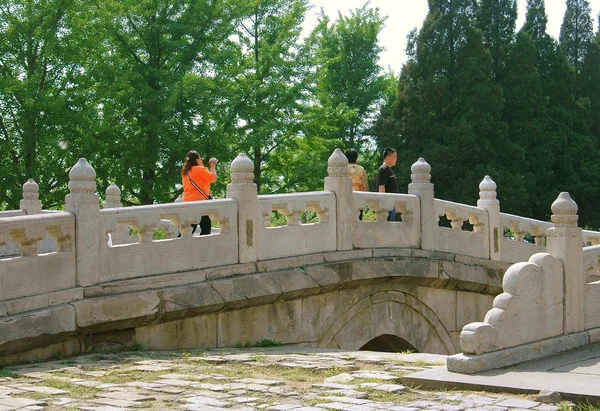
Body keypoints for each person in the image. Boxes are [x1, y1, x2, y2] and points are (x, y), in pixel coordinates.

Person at [181, 150, 218, 235]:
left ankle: (178, 245)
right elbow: (213, 178)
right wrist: (212, 167)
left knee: (189, 228)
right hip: (200, 202)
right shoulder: (199, 169)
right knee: (205, 228)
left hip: (187, 202)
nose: (201, 160)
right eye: (200, 158)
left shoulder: (185, 172)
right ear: (197, 160)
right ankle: (203, 247)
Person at [376, 147, 398, 221]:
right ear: (388, 157)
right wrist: (384, 205)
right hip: (388, 204)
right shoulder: (384, 169)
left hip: (391, 203)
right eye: (394, 157)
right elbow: (381, 187)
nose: (396, 159)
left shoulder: (389, 169)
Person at [345, 148, 368, 220]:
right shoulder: (361, 169)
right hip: (358, 198)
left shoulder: (342, 169)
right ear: (356, 158)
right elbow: (365, 186)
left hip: (345, 198)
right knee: (358, 221)